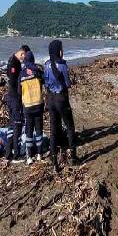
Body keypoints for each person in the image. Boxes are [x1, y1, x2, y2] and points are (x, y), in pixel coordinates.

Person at [44, 40, 78, 171]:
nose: (62, 51)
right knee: (70, 126)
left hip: (51, 99)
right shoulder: (63, 65)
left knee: (53, 128)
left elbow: (46, 84)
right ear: (58, 51)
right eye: (61, 49)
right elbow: (68, 83)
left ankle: (54, 161)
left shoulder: (46, 64)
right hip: (61, 98)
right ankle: (74, 157)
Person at [19, 50, 45, 165]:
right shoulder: (37, 72)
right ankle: (39, 154)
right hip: (38, 105)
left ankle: (29, 156)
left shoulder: (21, 73)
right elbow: (44, 81)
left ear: (25, 60)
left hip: (28, 106)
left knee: (29, 131)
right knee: (39, 130)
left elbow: (19, 91)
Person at [5, 44, 30, 162]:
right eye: (24, 57)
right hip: (14, 98)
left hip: (10, 97)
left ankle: (8, 152)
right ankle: (16, 154)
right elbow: (15, 82)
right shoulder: (14, 63)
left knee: (11, 125)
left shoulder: (12, 61)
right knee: (17, 125)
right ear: (22, 53)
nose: (24, 59)